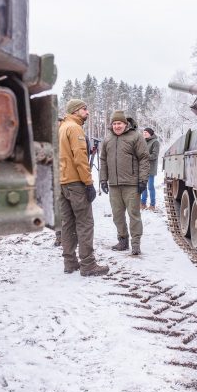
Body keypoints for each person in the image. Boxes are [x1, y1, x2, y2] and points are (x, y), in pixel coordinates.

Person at [58, 99, 109, 276]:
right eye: (84, 109)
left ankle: (70, 262)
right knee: (85, 223)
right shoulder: (74, 128)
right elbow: (80, 159)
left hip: (63, 182)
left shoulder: (62, 127)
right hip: (76, 183)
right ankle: (88, 265)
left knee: (67, 223)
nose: (87, 112)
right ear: (75, 111)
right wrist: (89, 183)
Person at [99, 110, 149, 256]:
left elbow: (144, 159)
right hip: (114, 185)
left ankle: (135, 244)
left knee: (134, 214)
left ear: (125, 124)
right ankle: (122, 240)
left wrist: (143, 180)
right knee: (117, 215)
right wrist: (103, 179)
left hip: (132, 184)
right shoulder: (108, 139)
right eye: (114, 124)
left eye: (119, 123)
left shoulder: (136, 137)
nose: (117, 126)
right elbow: (103, 160)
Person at [141, 127, 160, 210]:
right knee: (143, 186)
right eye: (143, 132)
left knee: (150, 187)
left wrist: (145, 156)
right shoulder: (143, 142)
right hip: (142, 168)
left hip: (150, 168)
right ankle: (143, 203)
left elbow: (154, 155)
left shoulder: (155, 142)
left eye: (146, 132)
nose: (144, 133)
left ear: (150, 133)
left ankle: (152, 205)